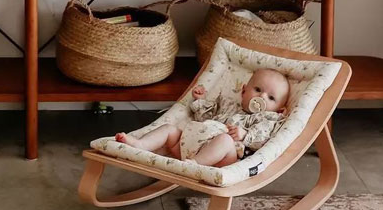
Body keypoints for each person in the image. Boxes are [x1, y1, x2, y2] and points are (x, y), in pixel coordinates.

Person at [115, 68, 289, 167]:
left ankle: (193, 166)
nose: (262, 98)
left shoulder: (266, 119)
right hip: (188, 145)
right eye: (258, 90)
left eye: (271, 98)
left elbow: (264, 139)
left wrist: (244, 134)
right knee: (170, 130)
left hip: (222, 158)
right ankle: (140, 145)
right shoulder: (226, 104)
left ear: (279, 110)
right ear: (243, 91)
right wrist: (200, 101)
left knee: (225, 140)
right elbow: (204, 117)